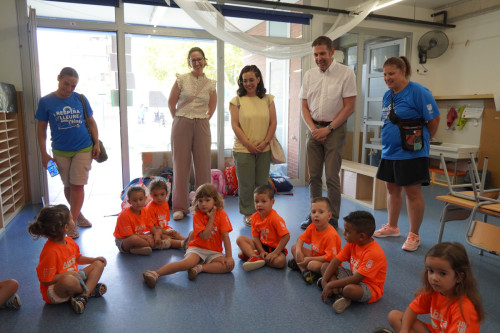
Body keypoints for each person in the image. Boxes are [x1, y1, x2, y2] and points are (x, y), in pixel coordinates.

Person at [373, 56, 440, 252]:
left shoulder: (419, 92)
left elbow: (434, 120)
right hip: (390, 152)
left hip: (411, 153)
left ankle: (414, 235)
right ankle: (392, 227)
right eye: (385, 74)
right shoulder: (388, 95)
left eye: (391, 73)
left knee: (412, 193)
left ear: (402, 72)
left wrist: (423, 143)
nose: (387, 78)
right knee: (392, 190)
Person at [299, 36, 357, 230]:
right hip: (314, 129)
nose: (318, 58)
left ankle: (332, 218)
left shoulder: (346, 73)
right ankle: (314, 215)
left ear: (332, 52)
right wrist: (313, 129)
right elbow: (304, 106)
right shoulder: (309, 75)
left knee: (331, 176)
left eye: (322, 53)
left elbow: (349, 107)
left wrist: (329, 128)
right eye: (315, 54)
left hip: (335, 130)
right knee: (314, 176)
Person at [36, 67, 101, 239]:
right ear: (59, 78)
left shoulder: (80, 98)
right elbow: (41, 129)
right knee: (67, 185)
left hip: (83, 148)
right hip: (59, 151)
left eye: (73, 86)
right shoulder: (45, 101)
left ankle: (70, 223)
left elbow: (92, 122)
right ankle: (77, 215)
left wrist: (96, 143)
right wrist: (44, 154)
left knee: (77, 185)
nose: (69, 89)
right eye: (66, 84)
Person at [142, 183, 234, 288]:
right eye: (200, 201)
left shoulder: (222, 214)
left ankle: (199, 268)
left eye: (207, 200)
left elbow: (225, 237)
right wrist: (211, 219)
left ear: (215, 201)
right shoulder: (197, 216)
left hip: (214, 252)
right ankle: (155, 273)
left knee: (229, 266)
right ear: (196, 202)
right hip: (197, 248)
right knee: (186, 264)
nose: (203, 204)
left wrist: (229, 256)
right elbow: (204, 236)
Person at [383, 242, 483, 332]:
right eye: (431, 271)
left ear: (459, 277)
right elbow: (412, 309)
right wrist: (404, 330)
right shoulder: (435, 291)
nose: (434, 278)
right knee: (394, 316)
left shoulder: (464, 309)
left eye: (442, 273)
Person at [27, 205, 107, 314]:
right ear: (65, 227)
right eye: (71, 217)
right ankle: (90, 290)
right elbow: (45, 280)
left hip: (74, 277)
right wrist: (68, 274)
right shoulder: (50, 251)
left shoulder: (69, 241)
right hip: (56, 290)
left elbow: (77, 258)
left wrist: (93, 260)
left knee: (99, 264)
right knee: (68, 281)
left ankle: (83, 296)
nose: (73, 219)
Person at [168, 47, 217, 221]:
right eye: (193, 60)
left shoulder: (211, 83)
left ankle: (203, 205)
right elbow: (171, 102)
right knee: (181, 165)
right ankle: (180, 207)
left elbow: (212, 105)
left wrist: (205, 118)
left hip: (202, 123)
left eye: (199, 59)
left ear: (205, 60)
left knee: (203, 165)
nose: (197, 62)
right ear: (189, 62)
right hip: (182, 121)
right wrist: (180, 119)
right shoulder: (182, 79)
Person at [229, 65, 277, 226]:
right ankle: (248, 212)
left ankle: (261, 212)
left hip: (264, 148)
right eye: (244, 81)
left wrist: (264, 142)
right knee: (246, 184)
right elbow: (235, 125)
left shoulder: (268, 99)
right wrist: (248, 144)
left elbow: (273, 122)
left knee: (262, 183)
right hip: (243, 149)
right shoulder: (236, 101)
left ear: (258, 80)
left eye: (251, 80)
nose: (248, 83)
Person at [320, 211, 387, 314]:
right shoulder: (353, 242)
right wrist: (324, 282)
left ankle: (337, 292)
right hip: (353, 276)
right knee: (325, 266)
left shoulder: (373, 253)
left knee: (349, 290)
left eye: (347, 231)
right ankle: (337, 294)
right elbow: (335, 261)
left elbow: (357, 279)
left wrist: (330, 284)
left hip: (369, 287)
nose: (343, 233)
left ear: (361, 236)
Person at [288, 197, 342, 284]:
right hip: (315, 256)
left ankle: (305, 268)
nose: (316, 215)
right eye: (313, 212)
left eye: (321, 212)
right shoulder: (313, 226)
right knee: (294, 247)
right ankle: (304, 271)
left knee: (311, 264)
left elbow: (329, 258)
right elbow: (300, 239)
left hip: (328, 263)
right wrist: (298, 251)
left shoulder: (331, 235)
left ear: (329, 216)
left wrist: (308, 259)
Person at [236, 185, 290, 272]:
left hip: (275, 248)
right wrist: (261, 251)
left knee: (281, 262)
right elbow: (256, 237)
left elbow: (286, 236)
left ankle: (253, 256)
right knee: (240, 239)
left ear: (272, 202)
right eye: (256, 201)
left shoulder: (275, 218)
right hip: (261, 245)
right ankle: (255, 257)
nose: (259, 205)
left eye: (263, 201)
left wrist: (275, 253)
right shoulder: (254, 217)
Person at [114, 186, 169, 256]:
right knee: (134, 239)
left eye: (140, 199)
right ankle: (155, 245)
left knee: (158, 230)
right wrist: (147, 238)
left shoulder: (145, 211)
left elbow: (151, 227)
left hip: (140, 235)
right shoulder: (124, 215)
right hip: (124, 240)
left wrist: (156, 235)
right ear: (129, 202)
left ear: (145, 199)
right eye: (134, 200)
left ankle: (137, 249)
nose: (138, 203)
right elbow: (130, 235)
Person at [145, 178, 187, 249]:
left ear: (167, 194)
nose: (159, 198)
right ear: (151, 195)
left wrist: (167, 231)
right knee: (167, 237)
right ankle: (184, 244)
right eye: (156, 195)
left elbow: (165, 223)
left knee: (175, 234)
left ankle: (189, 240)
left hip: (163, 229)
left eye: (162, 194)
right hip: (153, 231)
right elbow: (153, 228)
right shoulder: (150, 208)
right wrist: (166, 232)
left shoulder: (165, 204)